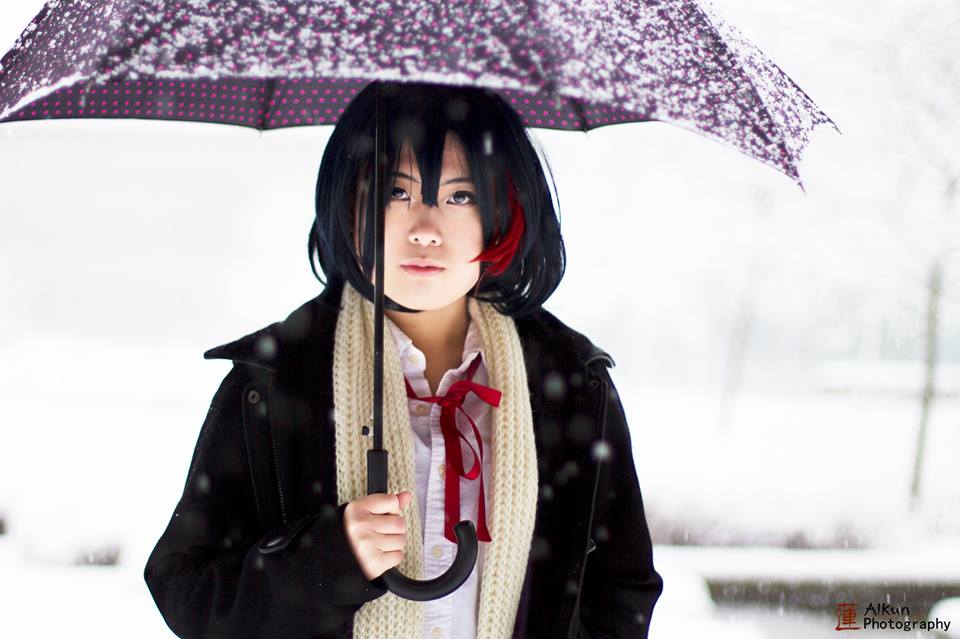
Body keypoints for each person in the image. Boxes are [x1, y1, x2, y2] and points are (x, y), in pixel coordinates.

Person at [144, 81, 662, 639]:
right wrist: (326, 561)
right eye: (396, 192)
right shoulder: (273, 382)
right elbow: (190, 591)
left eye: (460, 197)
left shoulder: (573, 383)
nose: (425, 230)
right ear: (348, 204)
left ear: (504, 213)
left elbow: (620, 591)